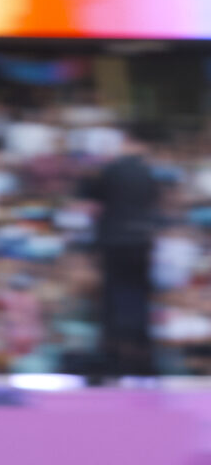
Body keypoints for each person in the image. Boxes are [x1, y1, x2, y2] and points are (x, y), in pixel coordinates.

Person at [85, 138, 163, 380]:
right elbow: (154, 202)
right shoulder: (147, 173)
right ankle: (142, 358)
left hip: (115, 243)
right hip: (141, 241)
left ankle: (116, 358)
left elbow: (93, 199)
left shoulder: (110, 170)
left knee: (114, 298)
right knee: (138, 298)